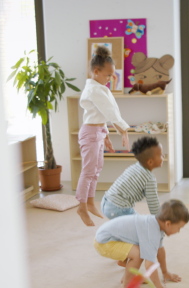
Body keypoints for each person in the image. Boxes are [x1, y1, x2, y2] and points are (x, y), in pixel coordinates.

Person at [101, 136, 181, 283]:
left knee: (130, 231)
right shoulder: (149, 179)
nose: (163, 157)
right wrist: (160, 228)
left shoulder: (134, 167)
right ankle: (128, 275)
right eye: (161, 155)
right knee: (142, 238)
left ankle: (123, 258)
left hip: (107, 202)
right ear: (150, 162)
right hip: (119, 208)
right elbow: (154, 207)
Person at [76, 45, 130, 226]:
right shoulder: (94, 90)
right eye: (108, 75)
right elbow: (109, 112)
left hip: (97, 132)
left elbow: (100, 116)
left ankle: (91, 202)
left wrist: (106, 134)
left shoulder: (100, 88)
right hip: (90, 134)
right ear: (96, 71)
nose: (111, 78)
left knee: (97, 168)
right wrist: (122, 129)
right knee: (88, 170)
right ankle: (81, 207)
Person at [94, 199, 189, 288]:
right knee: (139, 253)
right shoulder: (152, 233)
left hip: (114, 238)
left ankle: (125, 269)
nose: (179, 231)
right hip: (105, 243)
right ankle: (126, 286)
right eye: (179, 228)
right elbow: (150, 265)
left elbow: (160, 250)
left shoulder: (157, 224)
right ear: (168, 224)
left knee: (143, 247)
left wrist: (165, 272)